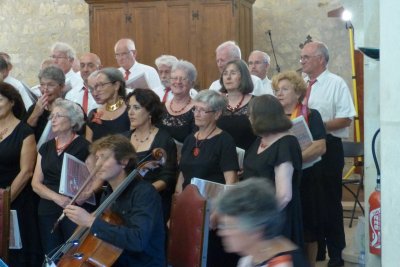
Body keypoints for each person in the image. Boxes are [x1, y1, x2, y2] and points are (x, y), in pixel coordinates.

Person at [64, 134, 166, 266]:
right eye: (97, 158)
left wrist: (90, 221)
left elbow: (138, 240)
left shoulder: (145, 193)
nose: (98, 164)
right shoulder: (109, 192)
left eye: (104, 158)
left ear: (124, 161)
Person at [300, 41, 356, 267]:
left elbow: (346, 118)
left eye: (306, 57)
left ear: (321, 59)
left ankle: (336, 254)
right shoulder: (301, 84)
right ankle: (316, 249)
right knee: (309, 201)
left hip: (329, 148)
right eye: (301, 57)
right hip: (304, 147)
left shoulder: (336, 83)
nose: (301, 61)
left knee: (330, 202)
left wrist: (317, 125)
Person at [175, 89, 239, 267]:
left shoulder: (224, 140)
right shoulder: (190, 139)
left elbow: (231, 181)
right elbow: (181, 177)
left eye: (203, 110)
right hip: (189, 209)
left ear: (217, 114)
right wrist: (177, 209)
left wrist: (218, 213)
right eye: (195, 109)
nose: (197, 114)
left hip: (212, 210)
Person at [272, 70, 326, 266]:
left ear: (298, 92)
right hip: (280, 179)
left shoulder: (311, 115)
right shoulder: (272, 118)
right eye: (277, 90)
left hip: (308, 178)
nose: (279, 93)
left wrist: (292, 159)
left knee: (309, 226)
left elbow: (320, 146)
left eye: (285, 89)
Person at [31, 99, 91, 255]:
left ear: (72, 121)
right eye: (52, 116)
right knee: (51, 254)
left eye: (58, 116)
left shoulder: (85, 146)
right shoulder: (45, 147)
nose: (53, 119)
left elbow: (95, 179)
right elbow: (36, 184)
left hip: (74, 208)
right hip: (47, 208)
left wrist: (82, 197)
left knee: (73, 254)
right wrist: (57, 198)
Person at [243, 95, 304, 248]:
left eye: (251, 114)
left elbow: (284, 195)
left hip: (274, 218)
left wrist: (261, 222)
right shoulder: (259, 140)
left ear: (262, 117)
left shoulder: (286, 143)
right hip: (256, 212)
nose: (248, 118)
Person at [216, 178, 310, 267]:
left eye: (231, 226)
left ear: (256, 229)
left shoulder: (283, 263)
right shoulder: (251, 257)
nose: (222, 232)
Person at [0, 82, 42, 266]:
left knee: (16, 254)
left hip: (17, 199)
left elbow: (26, 172)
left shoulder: (24, 131)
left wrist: (4, 201)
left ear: (11, 102)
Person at [124, 88, 177, 222]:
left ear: (149, 111)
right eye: (129, 107)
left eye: (136, 108)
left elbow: (167, 178)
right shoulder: (123, 138)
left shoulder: (163, 140)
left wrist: (140, 194)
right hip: (124, 199)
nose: (130, 112)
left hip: (151, 201)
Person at [217, 59, 257, 150]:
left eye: (233, 73)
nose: (228, 77)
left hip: (249, 158)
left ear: (243, 77)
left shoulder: (256, 103)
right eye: (225, 73)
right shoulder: (217, 104)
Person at [86, 67, 130, 142]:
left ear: (116, 85)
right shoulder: (94, 114)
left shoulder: (131, 111)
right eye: (96, 86)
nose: (97, 90)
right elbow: (87, 146)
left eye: (102, 85)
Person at [24, 66, 65, 142]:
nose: (45, 89)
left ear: (62, 87)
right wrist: (35, 114)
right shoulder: (34, 108)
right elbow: (23, 136)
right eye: (42, 84)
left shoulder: (71, 109)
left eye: (51, 85)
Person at [160, 60, 196, 143]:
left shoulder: (198, 109)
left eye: (183, 79)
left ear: (192, 83)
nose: (178, 82)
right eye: (174, 78)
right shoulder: (161, 107)